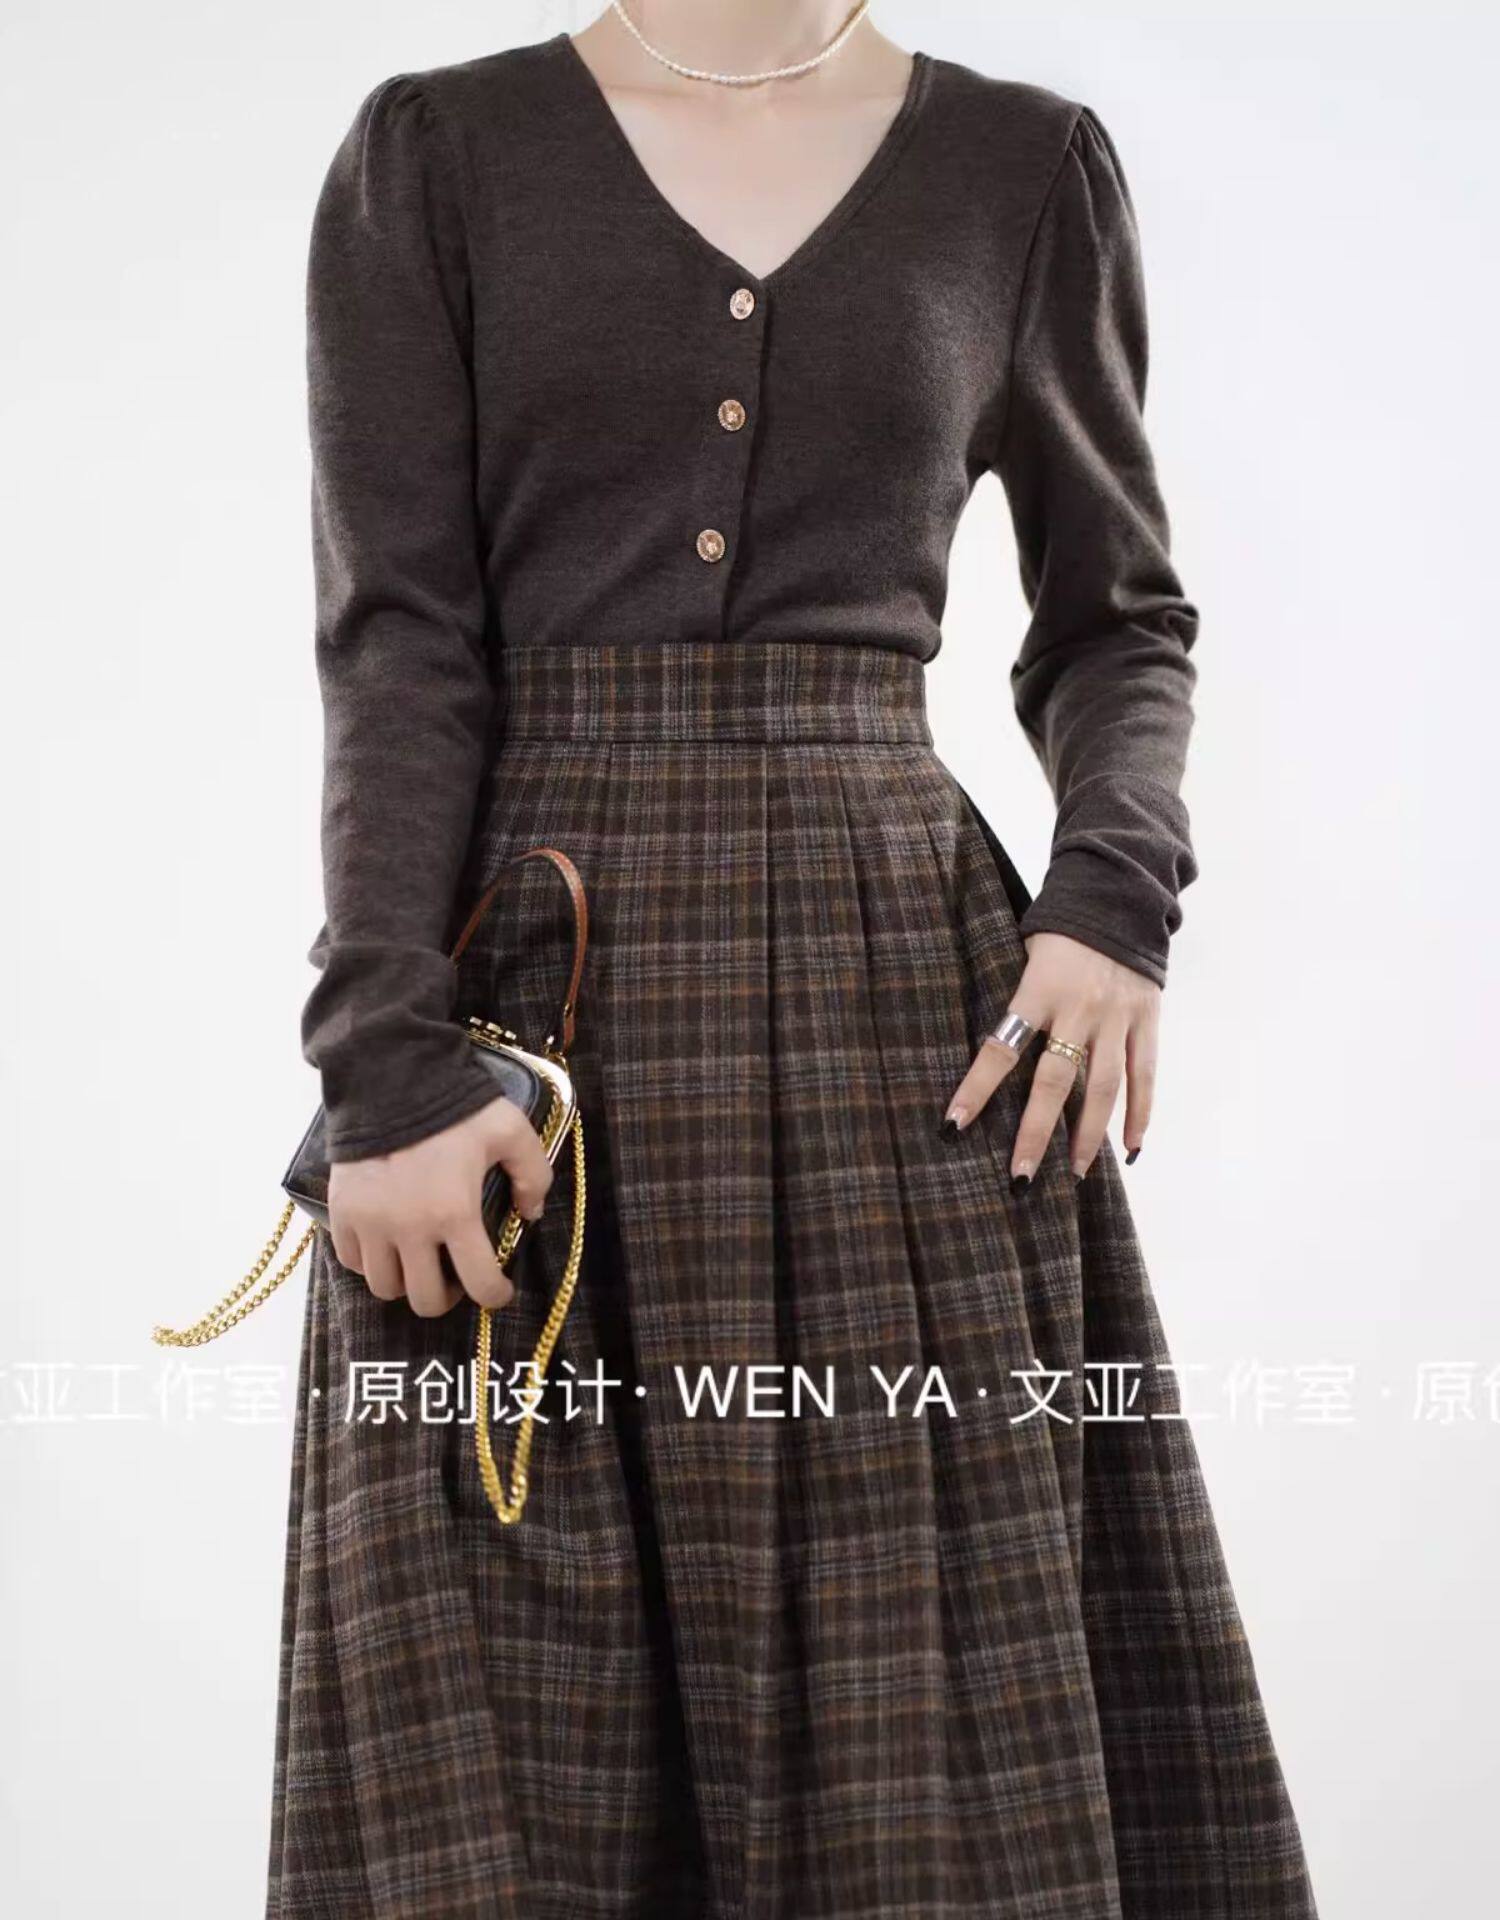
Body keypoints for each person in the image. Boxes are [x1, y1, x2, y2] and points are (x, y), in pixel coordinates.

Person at [266, 4, 1319, 1915]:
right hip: (535, 1017)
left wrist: (1112, 901)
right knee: (508, 1739)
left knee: (932, 1726)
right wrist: (385, 1067)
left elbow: (1116, 619)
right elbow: (396, 641)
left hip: (899, 1009)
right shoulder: (435, 157)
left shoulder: (1022, 169)